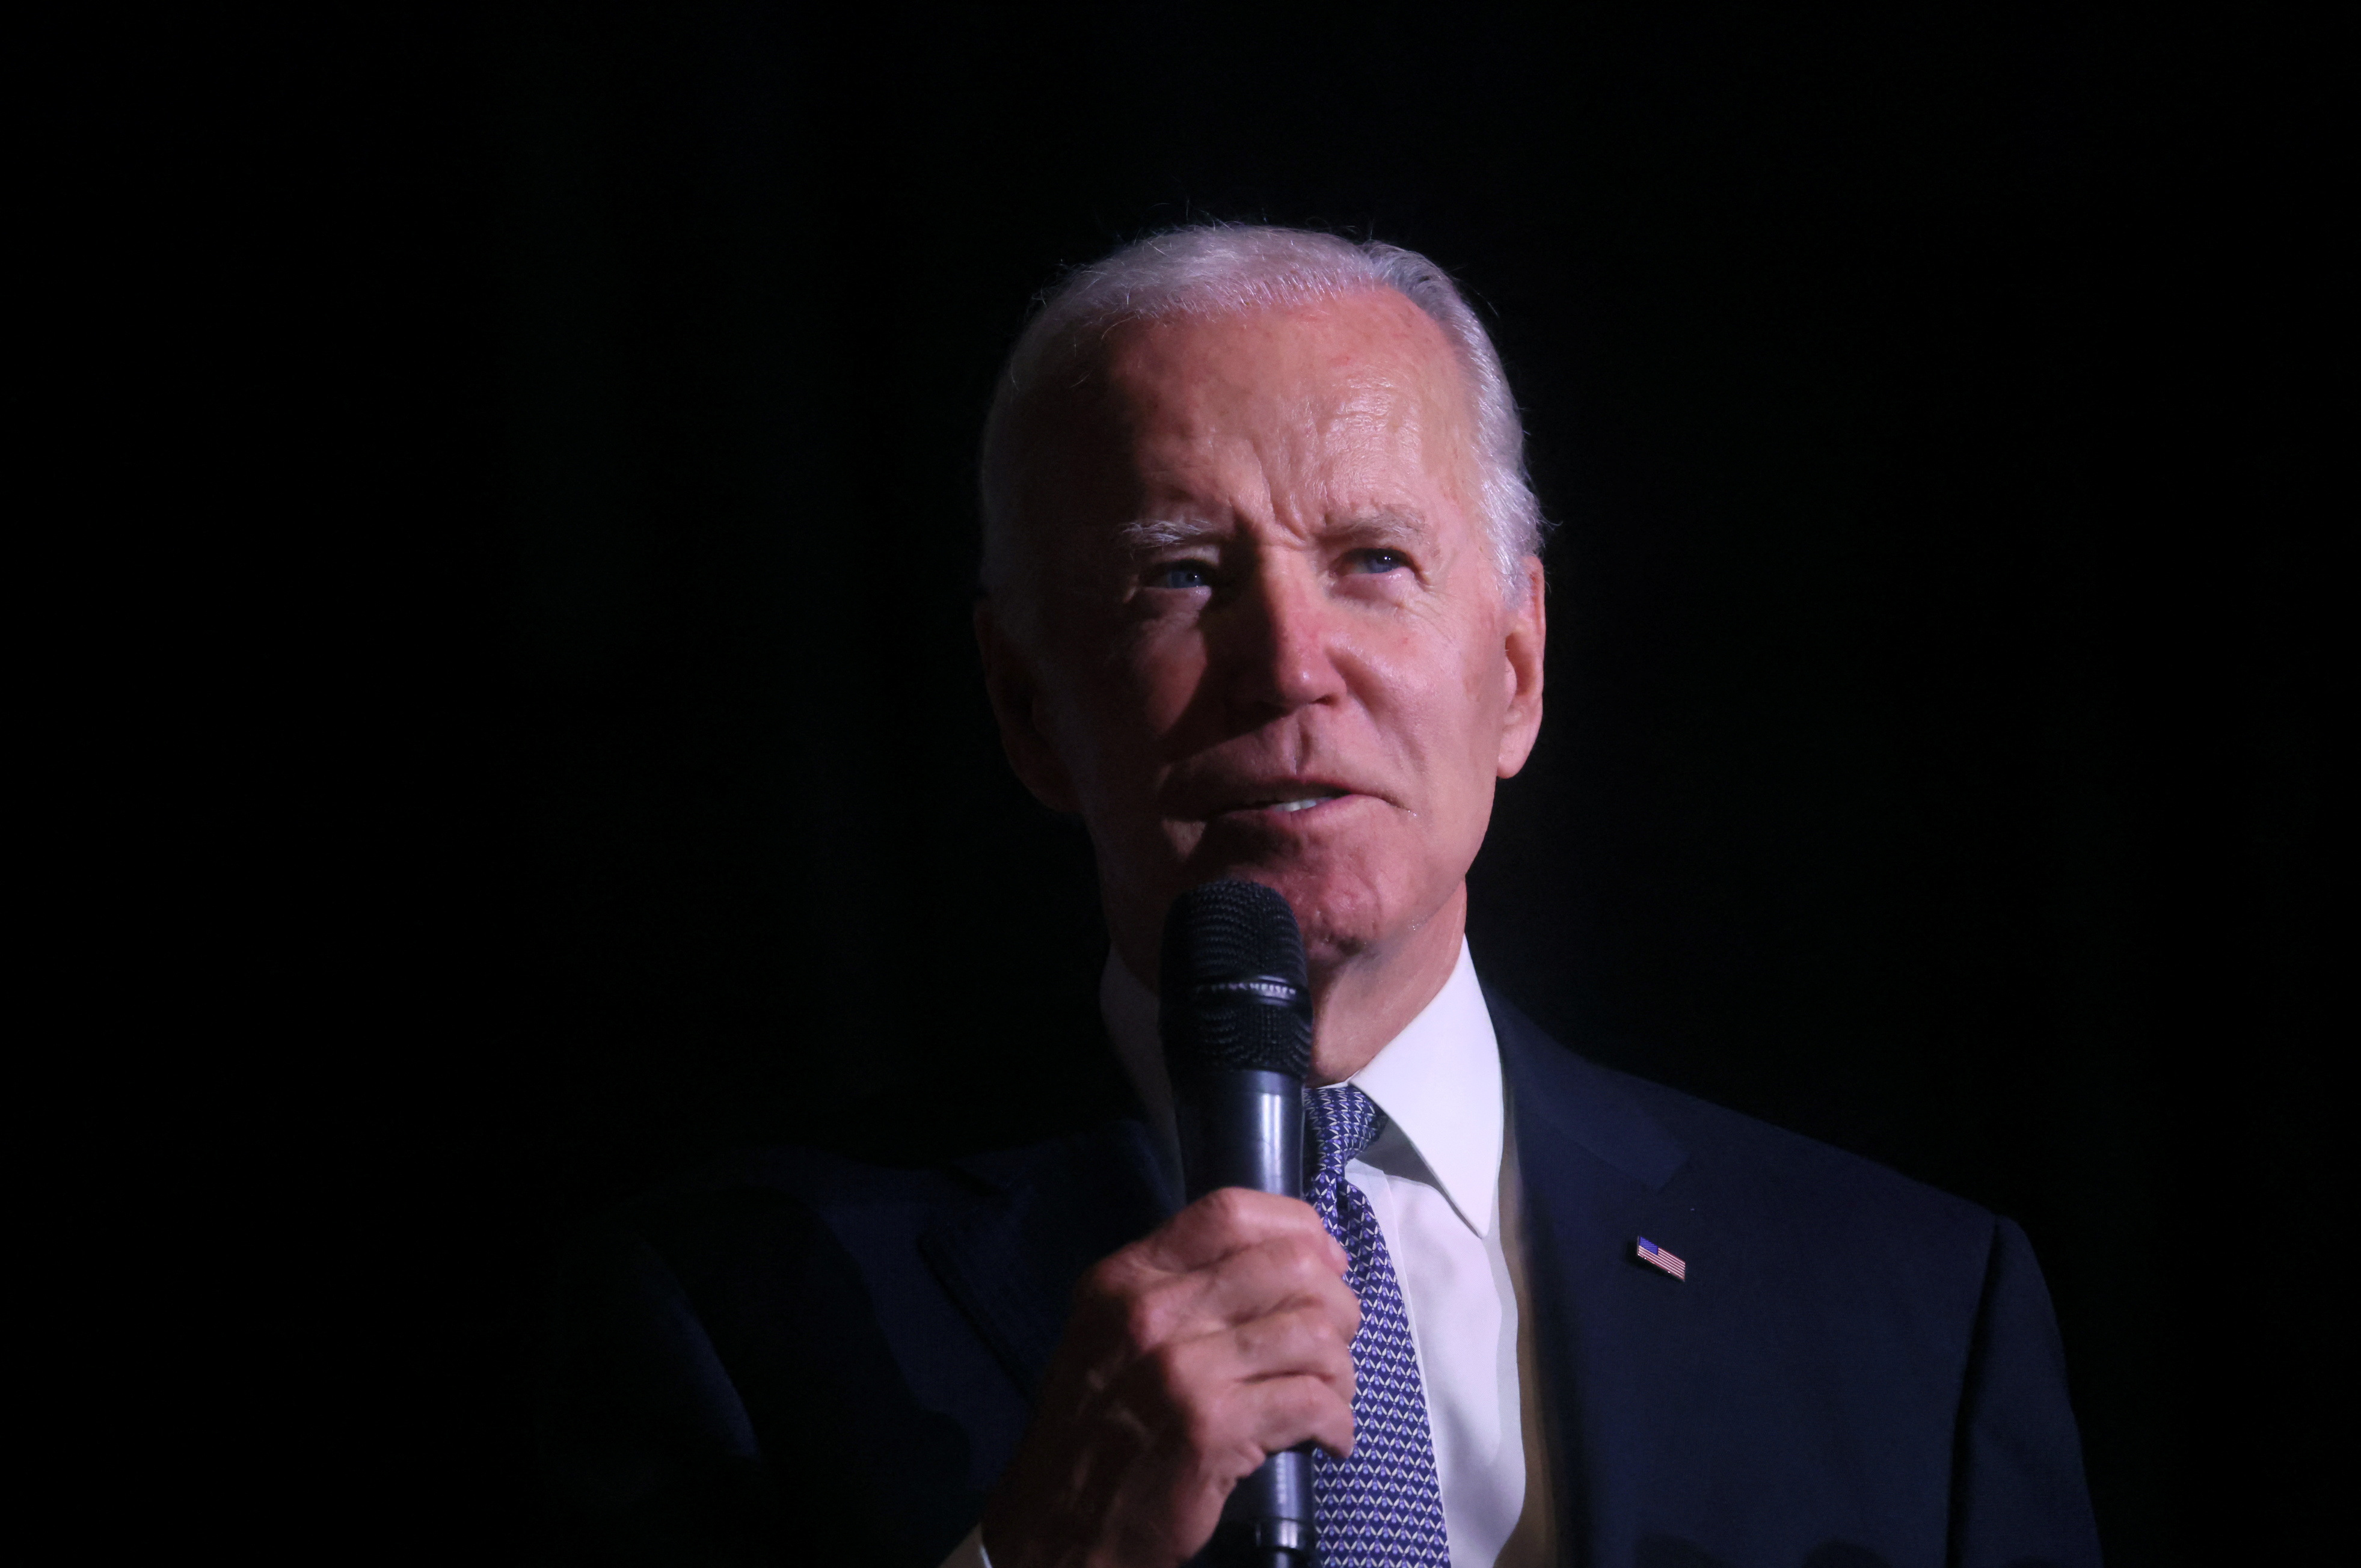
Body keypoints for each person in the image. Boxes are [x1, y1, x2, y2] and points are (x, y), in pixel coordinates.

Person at [540, 227, 2102, 1568]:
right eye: (1178, 575)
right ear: (1026, 706)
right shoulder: (734, 1316)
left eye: (1373, 560)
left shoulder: (1914, 1310)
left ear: (1516, 665)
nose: (1289, 665)